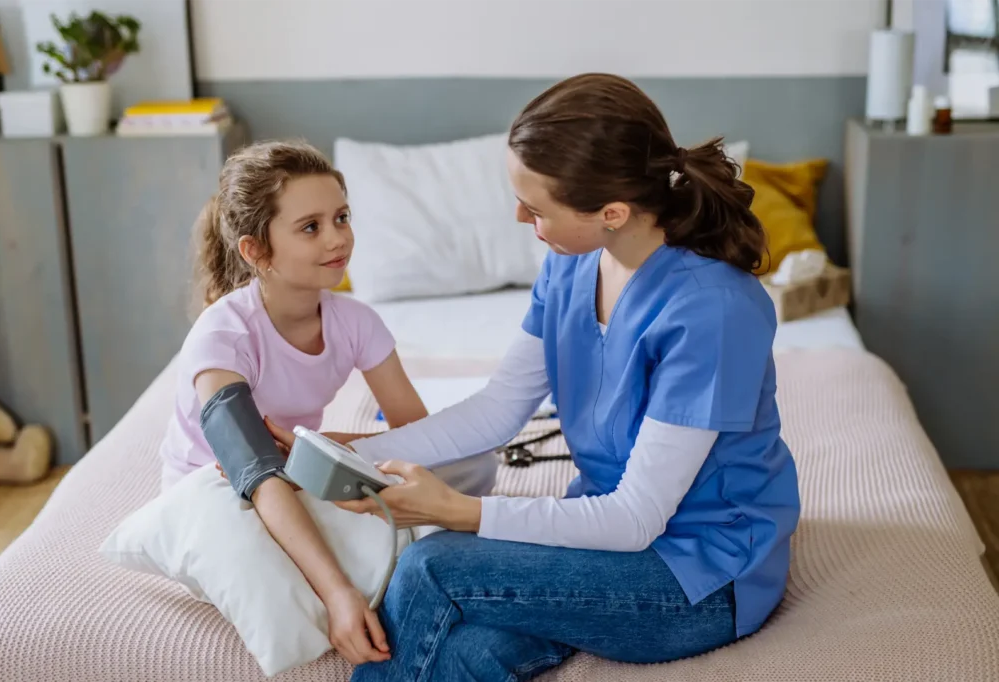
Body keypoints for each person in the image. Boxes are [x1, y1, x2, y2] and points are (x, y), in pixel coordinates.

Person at [268, 73, 802, 681]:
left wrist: (458, 510)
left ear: (611, 212)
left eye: (536, 206)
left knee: (431, 568)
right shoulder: (570, 268)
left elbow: (635, 520)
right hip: (603, 535)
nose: (519, 215)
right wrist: (355, 452)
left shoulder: (713, 311)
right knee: (465, 652)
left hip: (697, 577)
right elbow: (500, 408)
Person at [155, 139, 498, 667]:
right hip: (224, 486)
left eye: (342, 217)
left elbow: (417, 434)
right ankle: (356, 566)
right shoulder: (221, 336)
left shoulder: (355, 321)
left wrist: (333, 445)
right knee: (255, 537)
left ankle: (376, 549)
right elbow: (256, 475)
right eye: (311, 227)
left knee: (474, 460)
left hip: (298, 468)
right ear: (256, 251)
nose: (339, 238)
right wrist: (339, 595)